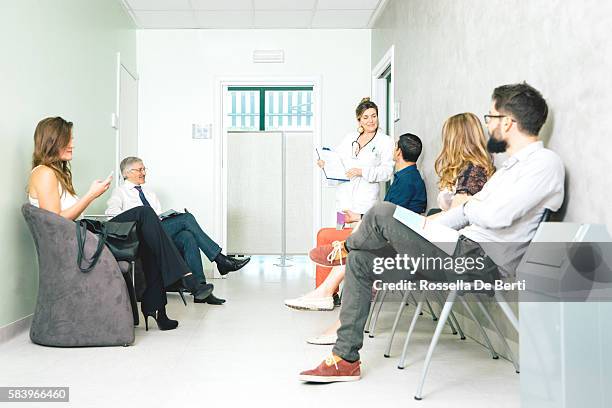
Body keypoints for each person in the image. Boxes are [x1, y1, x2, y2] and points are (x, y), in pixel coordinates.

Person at [299, 82, 565, 382]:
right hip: (459, 248)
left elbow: (494, 215)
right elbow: (467, 213)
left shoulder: (544, 164)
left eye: (491, 117)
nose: (487, 123)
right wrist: (430, 224)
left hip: (480, 262)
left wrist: (464, 209)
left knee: (382, 212)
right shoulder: (507, 170)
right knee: (362, 261)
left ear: (508, 122)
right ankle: (346, 358)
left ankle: (343, 249)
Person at [27, 117, 213, 332]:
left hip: (80, 234)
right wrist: (90, 195)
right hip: (75, 241)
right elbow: (56, 222)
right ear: (53, 140)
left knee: (148, 235)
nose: (73, 144)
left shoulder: (53, 173)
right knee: (144, 214)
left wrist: (89, 196)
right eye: (68, 139)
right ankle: (185, 279)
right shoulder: (44, 173)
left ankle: (157, 307)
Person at [284, 133, 427, 344]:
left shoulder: (407, 181)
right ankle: (326, 289)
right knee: (357, 251)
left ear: (398, 152)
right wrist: (359, 218)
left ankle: (337, 264)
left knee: (357, 254)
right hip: (396, 237)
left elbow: (390, 216)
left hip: (400, 245)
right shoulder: (406, 177)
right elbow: (389, 215)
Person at [105, 156, 250, 305]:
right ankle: (220, 259)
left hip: (157, 234)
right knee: (187, 219)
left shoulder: (150, 194)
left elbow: (158, 218)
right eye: (139, 169)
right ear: (127, 173)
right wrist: (137, 217)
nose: (144, 172)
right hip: (140, 236)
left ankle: (200, 289)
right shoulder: (120, 192)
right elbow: (111, 216)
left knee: (187, 236)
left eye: (144, 169)